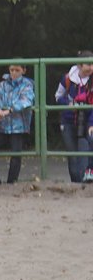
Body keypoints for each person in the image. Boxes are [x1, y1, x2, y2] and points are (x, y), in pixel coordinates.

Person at [0, 63, 35, 187]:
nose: (14, 73)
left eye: (17, 70)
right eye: (12, 70)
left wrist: (8, 110)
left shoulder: (27, 85)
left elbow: (26, 100)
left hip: (19, 126)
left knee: (16, 154)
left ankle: (12, 182)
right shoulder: (3, 84)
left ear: (24, 70)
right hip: (3, 126)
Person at [54, 53, 93, 183]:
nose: (91, 67)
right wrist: (69, 104)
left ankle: (85, 182)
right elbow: (58, 96)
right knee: (72, 155)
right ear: (79, 65)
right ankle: (75, 184)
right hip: (68, 120)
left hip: (88, 120)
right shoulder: (67, 79)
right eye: (88, 64)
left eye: (92, 64)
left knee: (84, 151)